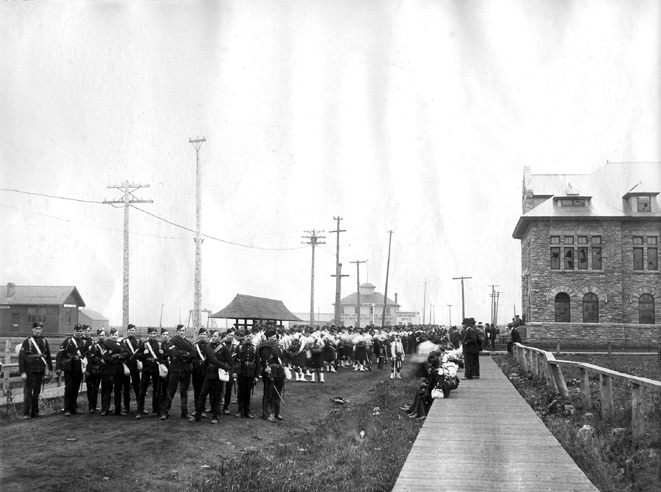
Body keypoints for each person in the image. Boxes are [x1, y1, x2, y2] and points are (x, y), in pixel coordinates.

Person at [190, 330, 232, 424]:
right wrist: (205, 371)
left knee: (217, 396)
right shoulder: (208, 346)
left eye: (215, 336)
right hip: (209, 375)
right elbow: (207, 361)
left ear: (220, 338)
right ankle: (198, 416)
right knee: (202, 395)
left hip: (218, 375)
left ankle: (215, 417)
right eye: (212, 336)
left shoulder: (224, 348)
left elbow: (230, 362)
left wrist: (225, 368)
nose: (213, 337)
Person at [18, 322, 53, 419]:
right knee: (28, 392)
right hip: (30, 370)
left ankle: (35, 412)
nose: (38, 331)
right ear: (32, 330)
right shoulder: (27, 341)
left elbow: (48, 356)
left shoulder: (44, 341)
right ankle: (26, 413)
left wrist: (50, 369)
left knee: (37, 392)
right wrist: (23, 372)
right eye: (36, 329)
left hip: (40, 370)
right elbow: (21, 358)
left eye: (40, 329)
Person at [161, 324, 194, 420]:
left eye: (183, 330)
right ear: (177, 331)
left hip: (185, 369)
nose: (181, 332)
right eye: (179, 330)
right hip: (175, 369)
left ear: (185, 331)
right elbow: (172, 352)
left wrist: (183, 354)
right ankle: (165, 412)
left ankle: (185, 413)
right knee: (171, 391)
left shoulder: (188, 342)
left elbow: (193, 354)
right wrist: (185, 353)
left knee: (184, 392)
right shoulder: (172, 342)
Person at [56, 323, 86, 416]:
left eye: (80, 331)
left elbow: (85, 355)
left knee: (76, 388)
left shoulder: (83, 342)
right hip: (69, 368)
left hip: (78, 368)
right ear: (74, 331)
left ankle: (74, 408)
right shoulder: (68, 341)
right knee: (69, 388)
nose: (79, 333)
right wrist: (58, 368)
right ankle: (67, 409)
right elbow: (59, 355)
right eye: (77, 331)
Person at [256, 328, 284, 422]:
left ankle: (276, 413)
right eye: (273, 336)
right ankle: (266, 414)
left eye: (276, 336)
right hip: (270, 372)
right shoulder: (265, 347)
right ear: (268, 337)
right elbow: (265, 361)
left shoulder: (276, 346)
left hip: (279, 372)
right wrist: (268, 373)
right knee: (268, 394)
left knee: (277, 393)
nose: (276, 338)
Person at [135, 327, 162, 419]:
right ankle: (140, 411)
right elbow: (137, 356)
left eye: (154, 333)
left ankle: (156, 410)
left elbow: (162, 357)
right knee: (142, 390)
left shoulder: (159, 344)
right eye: (151, 334)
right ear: (148, 334)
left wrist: (162, 354)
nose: (153, 335)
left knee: (156, 390)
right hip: (146, 369)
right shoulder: (144, 344)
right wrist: (144, 353)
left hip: (156, 369)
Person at [100, 328, 126, 416]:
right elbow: (104, 357)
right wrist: (113, 358)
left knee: (118, 390)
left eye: (116, 335)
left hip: (119, 369)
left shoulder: (121, 344)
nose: (114, 337)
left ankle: (118, 410)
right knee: (107, 390)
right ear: (110, 336)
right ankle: (105, 409)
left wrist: (118, 355)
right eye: (112, 335)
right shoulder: (106, 344)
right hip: (109, 369)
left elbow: (128, 353)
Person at [234, 333, 257, 419]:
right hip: (241, 372)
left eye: (250, 337)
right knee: (241, 392)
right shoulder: (239, 347)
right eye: (247, 336)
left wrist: (256, 376)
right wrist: (234, 371)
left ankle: (247, 411)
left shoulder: (255, 348)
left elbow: (257, 363)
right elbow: (234, 360)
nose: (248, 338)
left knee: (248, 392)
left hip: (251, 373)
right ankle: (240, 411)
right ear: (244, 338)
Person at [121, 324, 141, 414]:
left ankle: (140, 407)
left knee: (137, 387)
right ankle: (126, 407)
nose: (131, 332)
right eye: (130, 330)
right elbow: (121, 353)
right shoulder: (123, 341)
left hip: (135, 366)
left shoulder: (138, 341)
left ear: (135, 331)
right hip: (126, 366)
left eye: (133, 330)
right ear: (127, 331)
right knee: (126, 387)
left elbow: (141, 354)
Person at [85, 329, 105, 413]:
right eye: (99, 335)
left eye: (102, 335)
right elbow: (92, 358)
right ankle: (92, 407)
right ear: (97, 336)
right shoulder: (94, 346)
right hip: (97, 370)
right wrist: (100, 360)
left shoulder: (108, 345)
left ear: (105, 336)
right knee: (94, 388)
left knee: (105, 389)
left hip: (105, 370)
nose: (101, 337)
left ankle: (105, 407)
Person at [191, 328, 209, 416]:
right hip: (196, 370)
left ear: (207, 335)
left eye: (204, 334)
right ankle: (197, 409)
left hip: (205, 371)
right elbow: (192, 357)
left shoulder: (209, 346)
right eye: (201, 334)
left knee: (204, 391)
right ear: (199, 335)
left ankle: (203, 410)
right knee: (196, 390)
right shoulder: (195, 345)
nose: (202, 336)